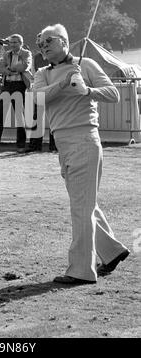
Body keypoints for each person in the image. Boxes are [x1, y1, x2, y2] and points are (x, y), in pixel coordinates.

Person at [34, 24, 130, 285]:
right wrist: (64, 83)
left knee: (81, 208)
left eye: (49, 40)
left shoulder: (85, 64)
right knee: (86, 204)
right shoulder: (42, 73)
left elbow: (112, 94)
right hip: (63, 144)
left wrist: (87, 90)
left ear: (65, 42)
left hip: (85, 139)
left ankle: (80, 270)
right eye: (40, 42)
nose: (43, 45)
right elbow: (38, 99)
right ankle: (111, 252)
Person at [0, 34, 32, 153]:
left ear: (21, 43)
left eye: (15, 42)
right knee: (0, 115)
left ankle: (21, 145)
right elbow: (0, 69)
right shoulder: (7, 54)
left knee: (19, 116)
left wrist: (9, 69)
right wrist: (13, 70)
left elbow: (25, 66)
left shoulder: (26, 54)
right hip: (6, 86)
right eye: (11, 42)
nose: (12, 45)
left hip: (19, 86)